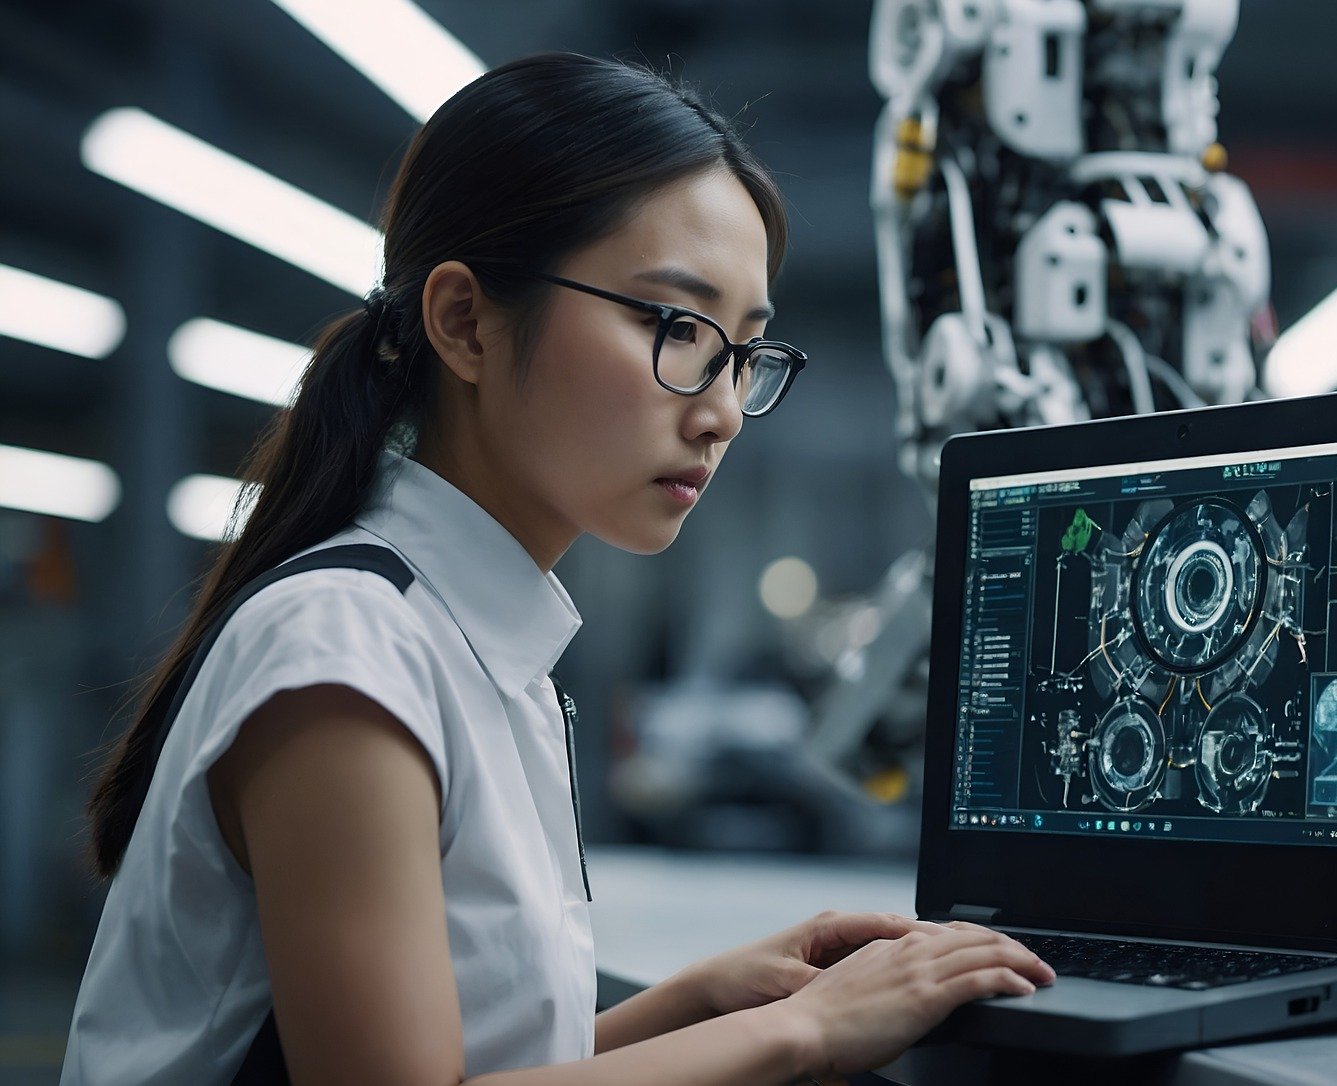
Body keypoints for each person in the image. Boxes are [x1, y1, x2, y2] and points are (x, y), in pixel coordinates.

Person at [65, 53, 1052, 1084]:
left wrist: (704, 998)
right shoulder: (345, 654)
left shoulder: (483, 653)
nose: (719, 410)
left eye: (746, 353)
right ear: (464, 322)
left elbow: (480, 1058)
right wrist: (802, 1031)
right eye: (676, 326)